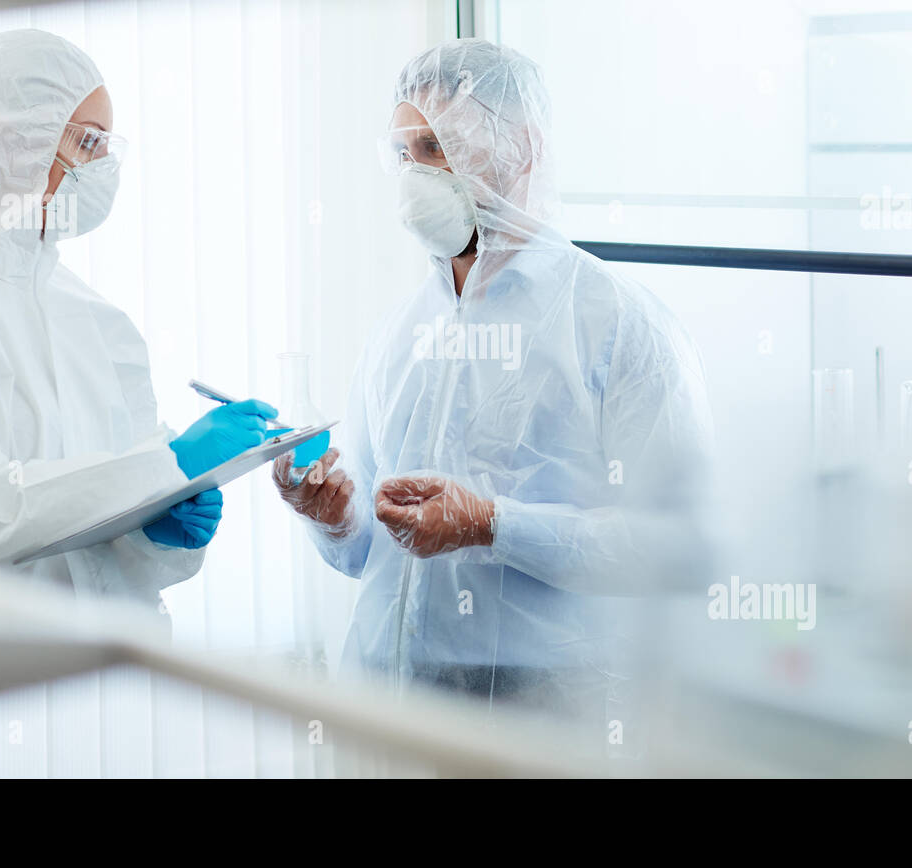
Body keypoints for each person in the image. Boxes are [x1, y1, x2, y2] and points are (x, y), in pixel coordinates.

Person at [274, 39, 715, 721]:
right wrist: (332, 517)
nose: (417, 173)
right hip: (393, 713)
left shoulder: (619, 325)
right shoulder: (397, 335)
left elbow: (679, 546)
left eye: (439, 146)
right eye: (405, 152)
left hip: (548, 720)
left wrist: (493, 525)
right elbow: (369, 556)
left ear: (525, 149)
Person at [0, 29, 278, 609]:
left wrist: (159, 521)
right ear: (9, 141)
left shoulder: (90, 316)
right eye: (88, 141)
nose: (103, 165)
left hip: (100, 671)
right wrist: (163, 468)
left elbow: (102, 518)